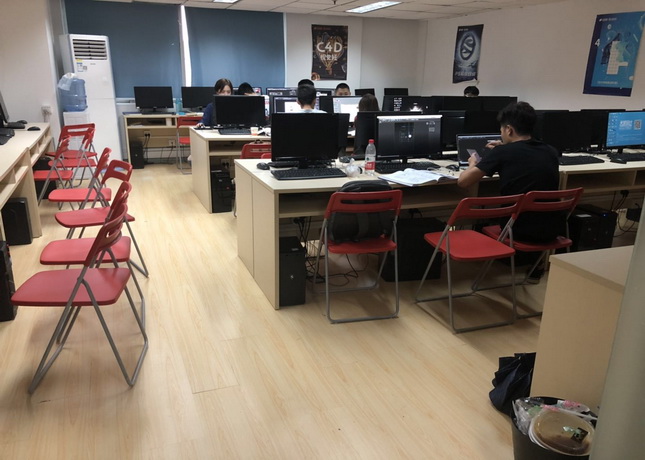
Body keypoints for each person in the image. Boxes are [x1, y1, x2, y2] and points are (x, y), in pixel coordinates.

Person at [457, 101, 560, 281]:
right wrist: (504, 148)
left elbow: (463, 182)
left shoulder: (503, 153)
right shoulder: (550, 151)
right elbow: (522, 157)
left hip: (516, 230)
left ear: (509, 130)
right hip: (551, 229)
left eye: (501, 129)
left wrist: (473, 163)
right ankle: (538, 265)